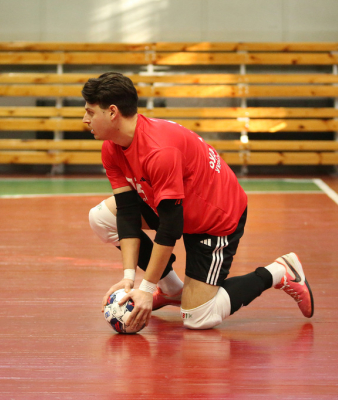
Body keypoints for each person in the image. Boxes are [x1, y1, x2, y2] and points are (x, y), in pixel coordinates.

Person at [84, 72, 314, 331]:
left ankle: (280, 272)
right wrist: (128, 278)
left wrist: (146, 289)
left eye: (90, 112)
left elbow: (170, 228)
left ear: (112, 112)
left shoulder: (160, 151)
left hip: (215, 217)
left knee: (198, 318)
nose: (85, 119)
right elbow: (127, 211)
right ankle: (172, 290)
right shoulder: (112, 146)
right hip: (176, 206)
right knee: (101, 218)